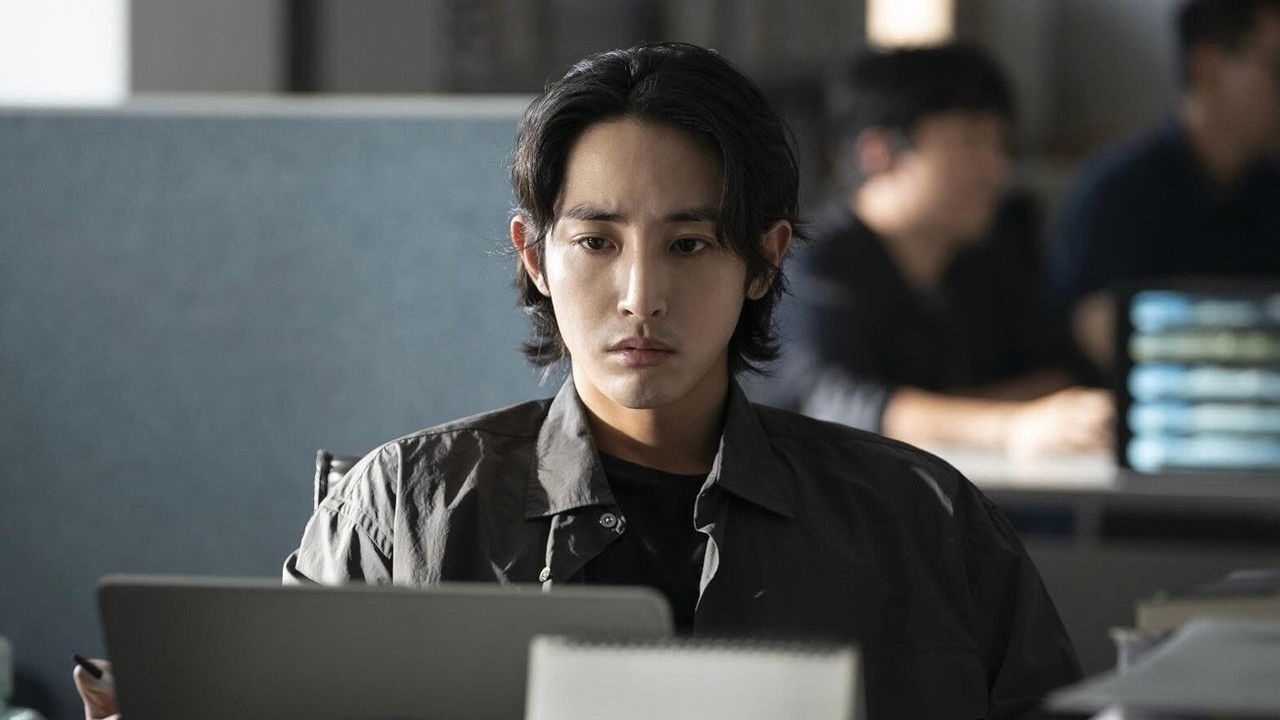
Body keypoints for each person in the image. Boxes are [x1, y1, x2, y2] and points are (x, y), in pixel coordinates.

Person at [76, 43, 1080, 719]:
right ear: (534, 257)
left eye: (689, 244)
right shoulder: (405, 509)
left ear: (763, 260)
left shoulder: (922, 521)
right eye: (596, 242)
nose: (640, 296)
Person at [762, 45, 1112, 456]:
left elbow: (1056, 377)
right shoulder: (809, 264)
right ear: (879, 153)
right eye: (972, 142)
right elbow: (828, 403)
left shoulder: (988, 259)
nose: (996, 168)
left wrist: (953, 419)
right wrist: (1005, 425)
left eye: (1000, 144)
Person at [1051, 0, 1280, 371]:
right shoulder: (1117, 196)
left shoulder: (1270, 192)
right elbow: (1096, 329)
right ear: (1207, 66)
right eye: (1277, 68)